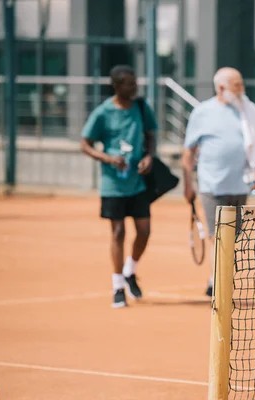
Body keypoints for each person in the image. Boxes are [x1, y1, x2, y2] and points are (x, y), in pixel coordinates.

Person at [182, 67, 255, 296]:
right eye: (236, 85)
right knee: (215, 236)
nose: (241, 89)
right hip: (212, 187)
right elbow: (188, 152)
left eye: (241, 84)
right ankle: (219, 284)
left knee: (234, 238)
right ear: (221, 87)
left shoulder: (249, 111)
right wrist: (188, 183)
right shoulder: (203, 112)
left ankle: (217, 278)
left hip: (241, 185)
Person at [80, 65, 158, 308]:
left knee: (144, 231)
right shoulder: (103, 112)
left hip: (138, 182)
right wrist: (108, 158)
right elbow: (85, 143)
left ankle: (129, 270)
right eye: (128, 83)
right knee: (118, 232)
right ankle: (117, 286)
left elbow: (151, 135)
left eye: (134, 82)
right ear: (115, 85)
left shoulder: (141, 107)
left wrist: (149, 157)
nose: (133, 87)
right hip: (113, 183)